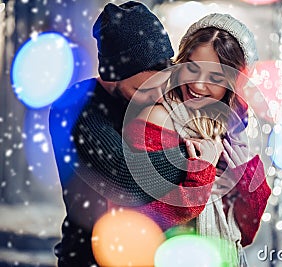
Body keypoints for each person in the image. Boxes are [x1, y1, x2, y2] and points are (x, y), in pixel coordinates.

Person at [49, 1, 208, 266]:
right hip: (89, 255)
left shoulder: (161, 93)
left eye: (162, 85)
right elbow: (126, 176)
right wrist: (197, 157)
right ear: (111, 76)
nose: (156, 97)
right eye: (142, 91)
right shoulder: (75, 105)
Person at [121, 13, 271, 266]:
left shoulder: (230, 131)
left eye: (215, 78)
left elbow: (245, 234)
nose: (198, 85)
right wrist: (201, 172)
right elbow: (143, 219)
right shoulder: (156, 120)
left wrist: (244, 179)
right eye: (192, 67)